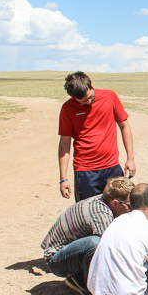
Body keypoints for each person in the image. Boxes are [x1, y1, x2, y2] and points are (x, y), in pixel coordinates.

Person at [41, 177, 135, 295]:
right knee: (97, 244)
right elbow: (112, 248)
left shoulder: (104, 201)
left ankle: (78, 278)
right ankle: (91, 290)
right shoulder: (101, 215)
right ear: (115, 203)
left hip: (70, 250)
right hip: (56, 260)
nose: (132, 210)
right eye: (129, 206)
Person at [58, 71, 136, 201]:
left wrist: (130, 158)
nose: (89, 102)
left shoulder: (109, 96)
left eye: (90, 97)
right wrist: (63, 179)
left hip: (112, 168)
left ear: (90, 85)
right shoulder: (68, 108)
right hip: (85, 172)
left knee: (120, 208)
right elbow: (64, 143)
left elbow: (124, 126)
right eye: (83, 101)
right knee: (89, 211)